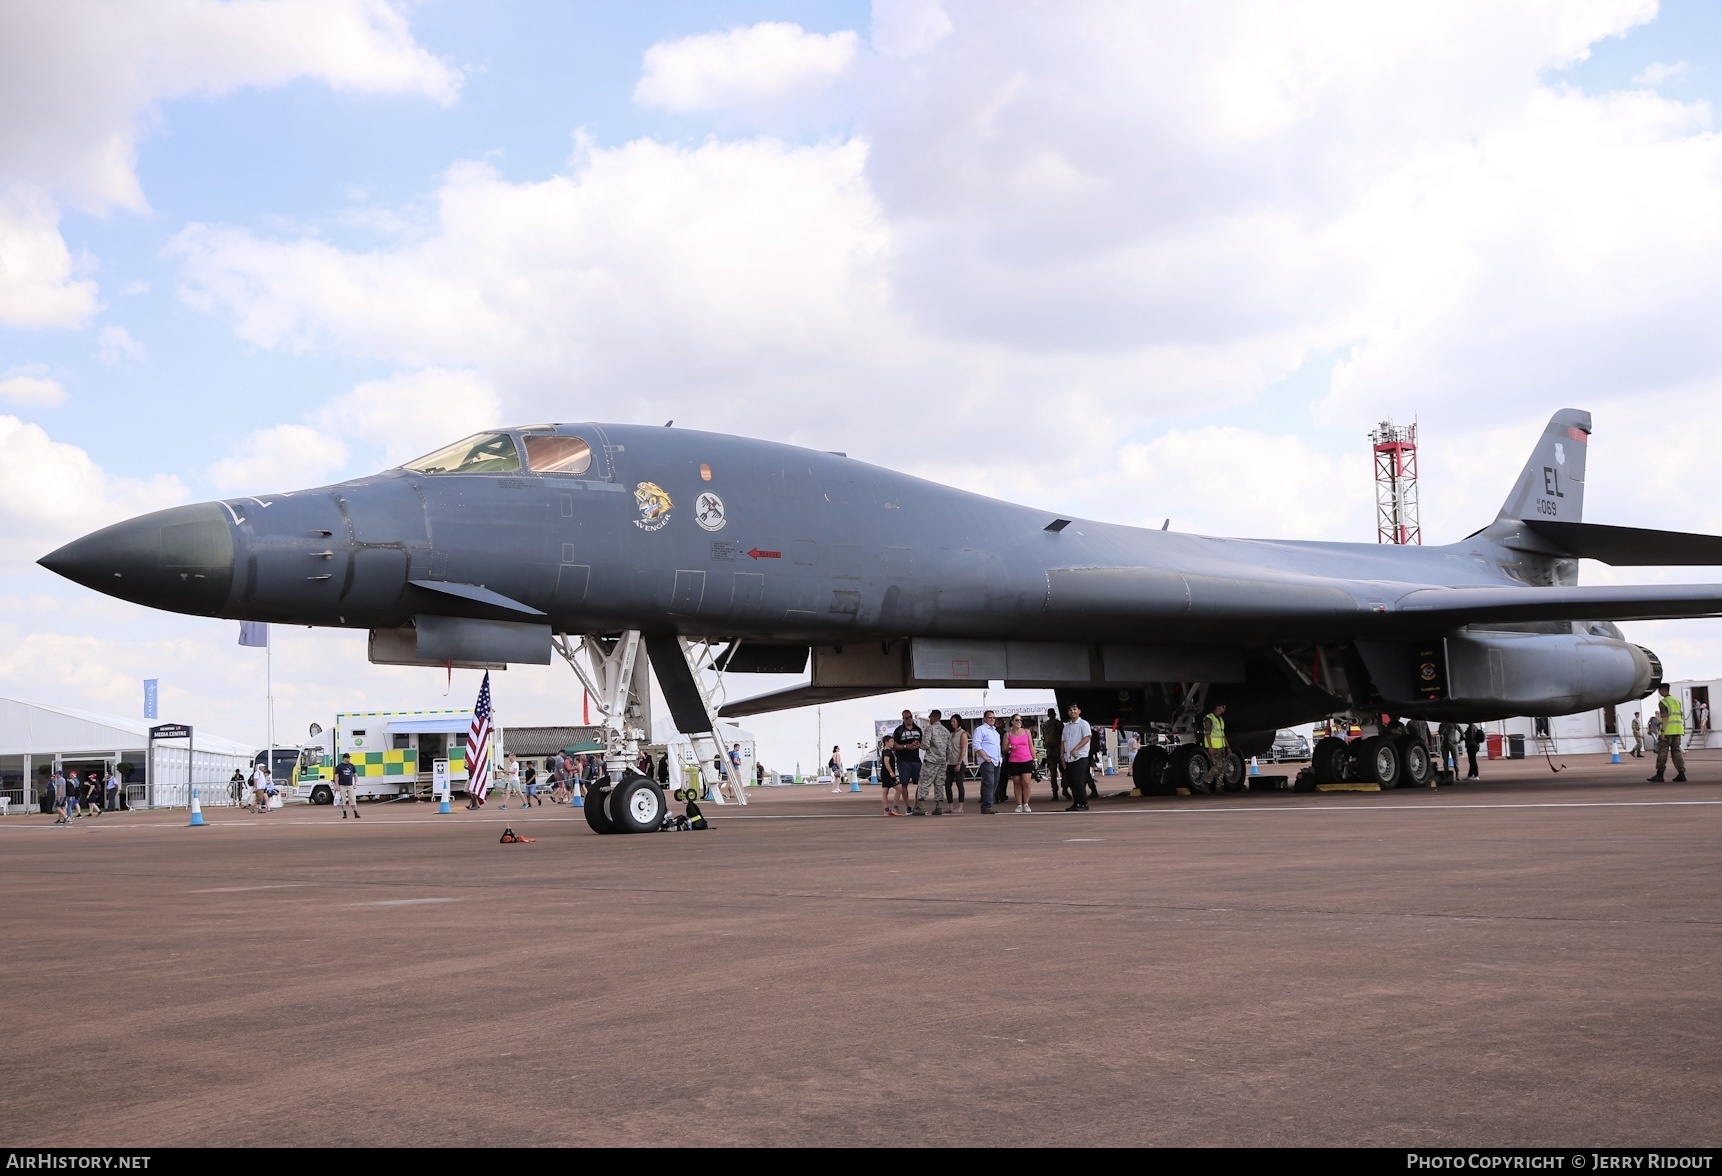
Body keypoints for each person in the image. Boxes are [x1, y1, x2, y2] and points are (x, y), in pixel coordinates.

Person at [1648, 683, 1688, 783]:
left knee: (1663, 752)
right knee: (1676, 752)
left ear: (1663, 690)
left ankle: (1660, 774)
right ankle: (1681, 773)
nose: (1659, 692)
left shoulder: (1663, 702)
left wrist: (1662, 732)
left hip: (1668, 731)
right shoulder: (1677, 701)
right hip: (1678, 730)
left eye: (1659, 690)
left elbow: (1665, 718)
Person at [916, 709, 952, 815]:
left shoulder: (930, 729)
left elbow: (926, 745)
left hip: (931, 760)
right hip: (941, 762)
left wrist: (919, 745)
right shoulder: (946, 731)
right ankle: (938, 807)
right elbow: (949, 749)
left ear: (933, 717)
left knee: (924, 783)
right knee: (939, 784)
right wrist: (945, 760)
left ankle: (921, 807)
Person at [1062, 704, 1093, 811]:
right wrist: (1062, 756)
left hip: (1080, 756)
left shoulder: (1083, 724)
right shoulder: (1067, 726)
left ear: (1079, 711)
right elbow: (1063, 742)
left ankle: (1083, 803)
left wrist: (1076, 748)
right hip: (1069, 758)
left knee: (1078, 779)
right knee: (1071, 780)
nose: (1072, 711)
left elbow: (1087, 737)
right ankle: (1076, 802)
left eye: (1074, 709)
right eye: (1070, 710)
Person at [892, 710, 924, 814]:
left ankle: (916, 805)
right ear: (903, 719)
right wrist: (906, 746)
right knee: (904, 784)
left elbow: (923, 742)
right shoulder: (899, 730)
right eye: (906, 718)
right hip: (903, 760)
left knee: (921, 783)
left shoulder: (918, 729)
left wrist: (919, 745)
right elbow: (894, 745)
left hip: (916, 760)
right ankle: (908, 806)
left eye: (910, 717)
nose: (909, 719)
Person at [1195, 703, 1231, 795]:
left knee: (1222, 767)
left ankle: (1219, 787)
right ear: (1217, 707)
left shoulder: (1220, 719)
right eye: (1223, 706)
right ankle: (1206, 782)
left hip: (1221, 746)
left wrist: (1228, 746)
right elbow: (1207, 734)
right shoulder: (1209, 719)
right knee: (1218, 766)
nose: (1224, 708)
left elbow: (1223, 734)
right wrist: (1210, 747)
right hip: (1214, 747)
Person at [1004, 714, 1036, 813]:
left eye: (1020, 720)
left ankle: (1026, 803)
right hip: (1014, 760)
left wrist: (1034, 759)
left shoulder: (1026, 732)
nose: (1019, 722)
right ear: (1012, 721)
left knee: (1026, 782)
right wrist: (1009, 748)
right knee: (1016, 783)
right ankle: (1019, 804)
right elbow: (1003, 749)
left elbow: (1031, 746)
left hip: (1026, 759)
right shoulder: (1008, 734)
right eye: (1017, 720)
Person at [971, 711, 1001, 814]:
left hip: (996, 760)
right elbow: (976, 744)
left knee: (994, 783)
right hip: (987, 760)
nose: (992, 719)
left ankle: (989, 804)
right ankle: (987, 806)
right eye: (990, 717)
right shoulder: (980, 730)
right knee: (989, 783)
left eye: (994, 718)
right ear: (984, 719)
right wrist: (984, 756)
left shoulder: (995, 732)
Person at [945, 717, 969, 813]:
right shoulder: (951, 734)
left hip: (960, 761)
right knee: (947, 784)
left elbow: (963, 749)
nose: (952, 723)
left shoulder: (962, 734)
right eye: (951, 721)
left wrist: (959, 763)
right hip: (951, 761)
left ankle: (960, 806)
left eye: (954, 721)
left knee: (959, 783)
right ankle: (950, 805)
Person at [877, 735, 901, 816]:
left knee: (885, 791)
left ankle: (886, 810)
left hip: (884, 773)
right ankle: (895, 808)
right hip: (887, 774)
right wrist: (891, 772)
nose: (893, 743)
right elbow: (886, 762)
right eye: (891, 741)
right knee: (899, 789)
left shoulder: (885, 751)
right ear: (886, 742)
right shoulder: (887, 751)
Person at [334, 752, 360, 819]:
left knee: (352, 799)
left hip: (350, 785)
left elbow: (355, 775)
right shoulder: (339, 766)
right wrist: (337, 785)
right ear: (345, 758)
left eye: (349, 758)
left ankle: (355, 812)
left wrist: (356, 783)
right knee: (343, 800)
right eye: (348, 758)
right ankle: (345, 813)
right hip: (342, 785)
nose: (349, 759)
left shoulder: (351, 766)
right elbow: (336, 776)